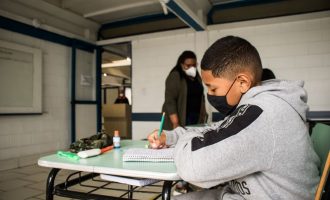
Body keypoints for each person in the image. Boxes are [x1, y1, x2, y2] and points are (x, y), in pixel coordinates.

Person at [148, 36, 320, 200]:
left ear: (243, 83)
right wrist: (170, 136)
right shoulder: (257, 105)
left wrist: (189, 139)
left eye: (213, 89)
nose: (209, 94)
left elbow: (193, 165)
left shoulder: (263, 115)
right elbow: (215, 129)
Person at [162, 50, 207, 130]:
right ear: (182, 64)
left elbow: (201, 96)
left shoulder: (197, 77)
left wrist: (204, 114)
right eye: (188, 65)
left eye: (194, 65)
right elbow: (170, 101)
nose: (192, 68)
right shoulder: (175, 76)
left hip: (196, 117)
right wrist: (175, 122)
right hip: (181, 117)